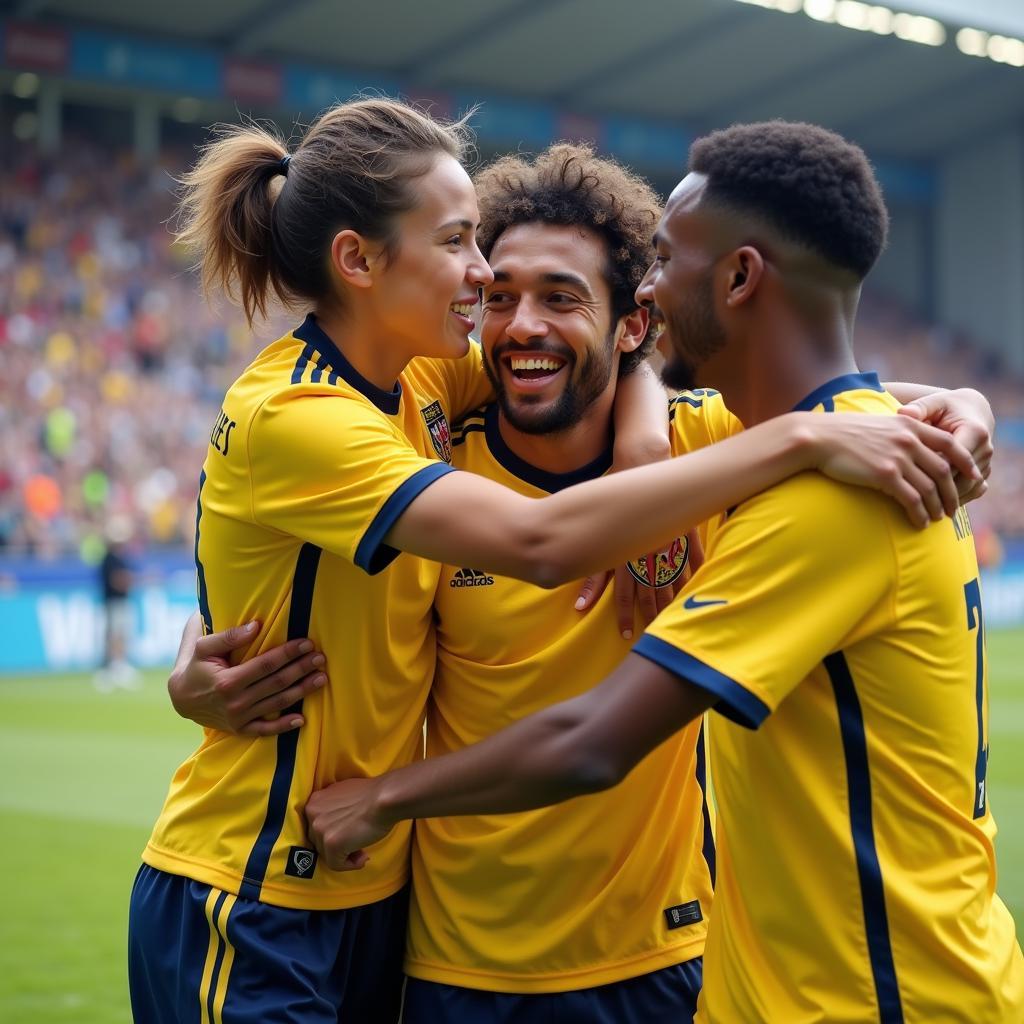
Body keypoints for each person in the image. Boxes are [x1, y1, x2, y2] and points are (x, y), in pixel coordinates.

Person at [168, 140, 994, 1024]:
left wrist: (961, 400)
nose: (519, 322)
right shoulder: (437, 422)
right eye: (492, 291)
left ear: (633, 323)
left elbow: (826, 398)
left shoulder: (705, 445)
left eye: (563, 298)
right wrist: (194, 658)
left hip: (662, 957)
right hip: (441, 959)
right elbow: (304, 560)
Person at [93, 515, 140, 691]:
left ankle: (116, 665)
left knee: (118, 634)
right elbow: (116, 580)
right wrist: (131, 579)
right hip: (115, 601)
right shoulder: (111, 559)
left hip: (115, 602)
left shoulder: (112, 558)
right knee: (116, 635)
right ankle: (115, 666)